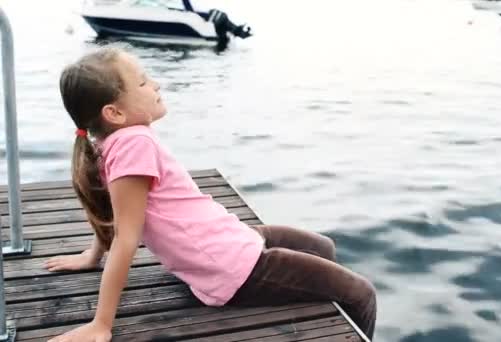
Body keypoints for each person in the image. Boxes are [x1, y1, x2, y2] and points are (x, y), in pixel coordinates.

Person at [44, 47, 377, 342]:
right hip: (234, 269)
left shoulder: (110, 144)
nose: (155, 85)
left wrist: (92, 256)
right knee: (361, 294)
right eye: (143, 82)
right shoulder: (134, 143)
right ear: (114, 112)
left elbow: (111, 212)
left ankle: (319, 297)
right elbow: (126, 237)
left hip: (226, 242)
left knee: (322, 247)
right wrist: (101, 324)